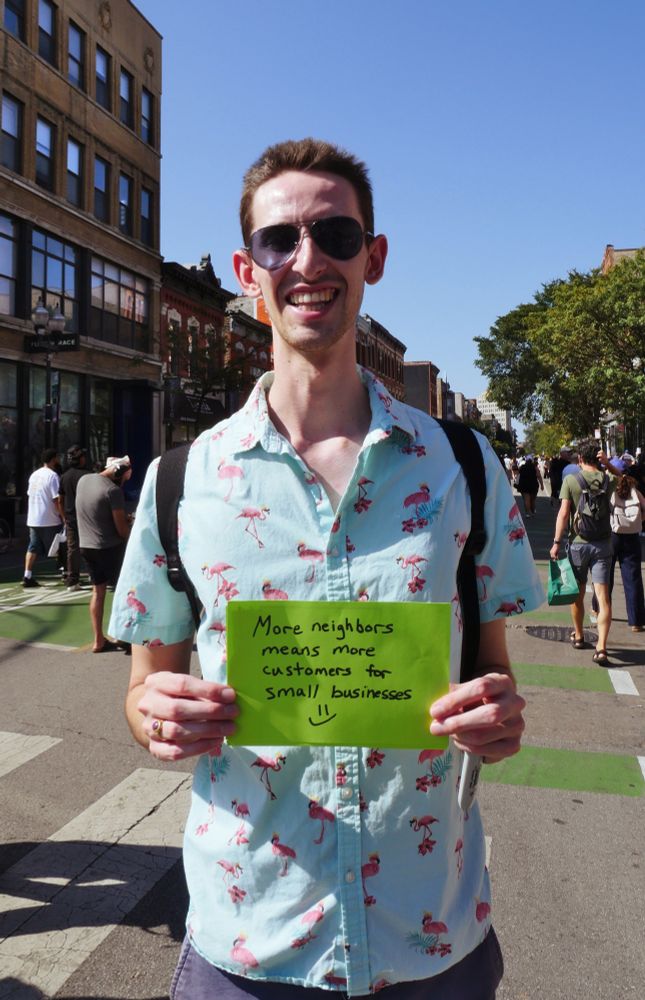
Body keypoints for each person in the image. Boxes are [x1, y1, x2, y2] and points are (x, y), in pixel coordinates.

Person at [109, 138, 543, 999]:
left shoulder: (462, 465)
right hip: (251, 943)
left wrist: (498, 718)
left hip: (429, 943)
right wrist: (152, 715)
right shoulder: (179, 483)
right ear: (247, 270)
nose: (307, 260)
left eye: (335, 235)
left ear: (372, 257)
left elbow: (492, 673)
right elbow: (141, 688)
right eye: (280, 240)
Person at [550, 442, 620, 665]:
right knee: (603, 597)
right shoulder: (607, 479)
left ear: (579, 458)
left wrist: (556, 543)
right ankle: (601, 647)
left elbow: (563, 514)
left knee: (577, 594)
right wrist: (608, 464)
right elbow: (626, 479)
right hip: (603, 544)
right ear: (598, 458)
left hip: (579, 544)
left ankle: (579, 635)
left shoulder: (571, 480)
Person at [76, 456, 132, 653]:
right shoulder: (113, 490)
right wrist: (130, 524)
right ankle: (122, 636)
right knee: (124, 590)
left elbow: (96, 511)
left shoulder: (84, 481)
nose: (123, 482)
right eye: (124, 478)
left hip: (86, 545)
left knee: (97, 592)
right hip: (109, 547)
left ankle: (98, 640)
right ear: (118, 473)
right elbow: (122, 530)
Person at [608, 473, 645, 632]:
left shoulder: (610, 490)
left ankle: (600, 609)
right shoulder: (635, 492)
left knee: (604, 575)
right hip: (632, 536)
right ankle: (636, 621)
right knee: (633, 577)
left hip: (612, 535)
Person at [23, 448, 63, 588]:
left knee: (32, 547)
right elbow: (56, 499)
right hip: (50, 518)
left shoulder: (34, 475)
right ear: (53, 459)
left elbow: (30, 494)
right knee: (59, 545)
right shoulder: (53, 476)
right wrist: (62, 515)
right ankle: (65, 572)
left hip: (34, 518)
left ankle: (27, 574)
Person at [58, 445, 90, 590]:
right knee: (90, 545)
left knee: (73, 548)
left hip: (70, 517)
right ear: (80, 459)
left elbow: (60, 499)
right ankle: (93, 573)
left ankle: (72, 579)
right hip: (86, 516)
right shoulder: (87, 475)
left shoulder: (64, 476)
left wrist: (63, 516)